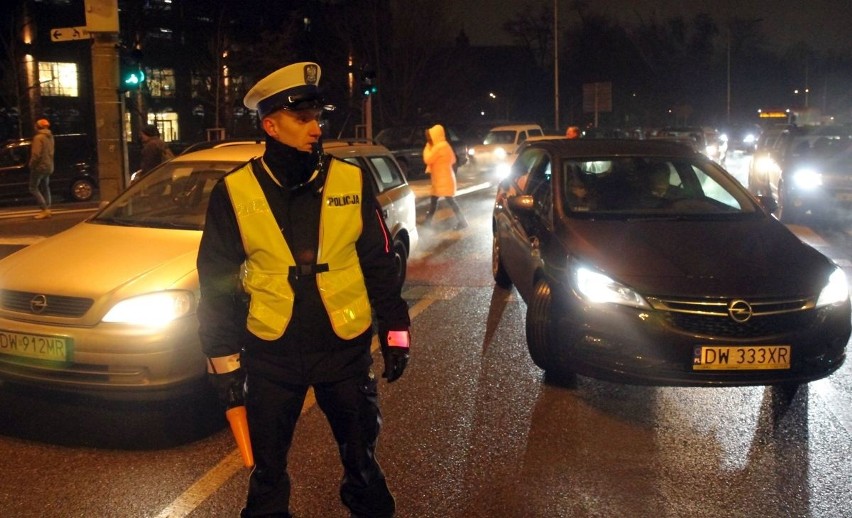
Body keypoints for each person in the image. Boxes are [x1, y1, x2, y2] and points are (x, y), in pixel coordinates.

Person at [196, 61, 411, 518]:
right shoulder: (234, 192)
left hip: (345, 351)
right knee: (267, 471)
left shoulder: (350, 180)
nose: (316, 128)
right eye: (302, 118)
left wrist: (396, 333)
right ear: (270, 124)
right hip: (272, 353)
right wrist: (225, 365)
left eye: (318, 117)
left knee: (362, 459)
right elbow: (214, 283)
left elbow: (379, 264)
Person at [422, 124, 468, 230]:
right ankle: (427, 223)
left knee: (442, 202)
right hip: (445, 178)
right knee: (441, 202)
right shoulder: (445, 145)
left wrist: (427, 147)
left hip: (441, 180)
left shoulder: (438, 147)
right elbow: (453, 160)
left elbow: (427, 159)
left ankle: (463, 222)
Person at [29, 118, 55, 219]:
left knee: (33, 187)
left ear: (38, 127)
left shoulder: (38, 138)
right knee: (45, 186)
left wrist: (31, 164)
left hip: (39, 166)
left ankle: (44, 209)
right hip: (49, 165)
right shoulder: (50, 137)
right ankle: (48, 208)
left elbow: (36, 154)